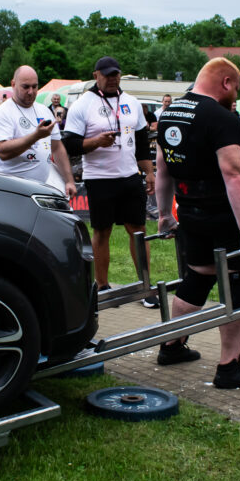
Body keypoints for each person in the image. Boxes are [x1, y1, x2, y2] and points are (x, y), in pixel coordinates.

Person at [153, 57, 240, 388]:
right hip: (225, 216)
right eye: (237, 88)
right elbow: (234, 174)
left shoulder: (170, 114)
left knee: (200, 275)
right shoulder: (222, 118)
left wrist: (163, 214)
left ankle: (172, 345)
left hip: (189, 213)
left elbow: (163, 169)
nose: (236, 96)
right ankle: (229, 367)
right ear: (226, 82)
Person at [63, 56, 156, 306]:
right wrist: (95, 142)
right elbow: (69, 143)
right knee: (102, 232)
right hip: (100, 178)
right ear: (96, 76)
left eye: (116, 74)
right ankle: (102, 285)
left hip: (129, 177)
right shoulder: (83, 105)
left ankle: (144, 287)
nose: (112, 78)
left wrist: (149, 172)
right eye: (107, 74)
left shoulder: (132, 103)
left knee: (138, 231)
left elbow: (141, 143)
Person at [0, 65, 77, 199]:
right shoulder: (3, 113)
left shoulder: (44, 111)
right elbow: (3, 152)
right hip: (10, 190)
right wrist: (35, 136)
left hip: (39, 190)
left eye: (34, 86)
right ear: (13, 84)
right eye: (25, 87)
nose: (31, 91)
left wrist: (69, 181)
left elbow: (57, 147)